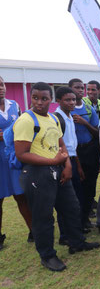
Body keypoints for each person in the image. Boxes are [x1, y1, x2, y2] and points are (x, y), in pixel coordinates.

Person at [14, 82, 99, 272]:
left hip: (59, 170)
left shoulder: (52, 118)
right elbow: (22, 154)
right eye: (35, 97)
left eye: (44, 98)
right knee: (43, 217)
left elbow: (61, 145)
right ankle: (47, 255)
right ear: (31, 97)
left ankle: (76, 242)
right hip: (37, 173)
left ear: (50, 99)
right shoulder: (26, 120)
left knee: (71, 207)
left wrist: (67, 165)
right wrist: (53, 162)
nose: (39, 102)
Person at [0, 75, 33, 249]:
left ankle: (33, 231)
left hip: (12, 158)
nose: (1, 88)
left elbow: (20, 128)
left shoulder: (15, 105)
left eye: (2, 84)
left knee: (21, 195)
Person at [54, 87, 88, 244]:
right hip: (63, 163)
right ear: (59, 100)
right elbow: (59, 146)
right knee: (65, 201)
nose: (72, 102)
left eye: (73, 99)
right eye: (68, 100)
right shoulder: (56, 118)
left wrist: (78, 166)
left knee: (76, 199)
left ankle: (75, 230)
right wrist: (67, 166)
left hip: (73, 160)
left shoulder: (70, 117)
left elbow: (72, 145)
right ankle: (65, 236)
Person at [69, 78, 100, 229]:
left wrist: (85, 123)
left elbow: (98, 133)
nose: (81, 90)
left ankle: (86, 219)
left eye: (82, 88)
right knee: (76, 189)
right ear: (70, 89)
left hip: (90, 150)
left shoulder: (89, 109)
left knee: (90, 186)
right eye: (77, 87)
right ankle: (77, 222)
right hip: (74, 153)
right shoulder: (65, 109)